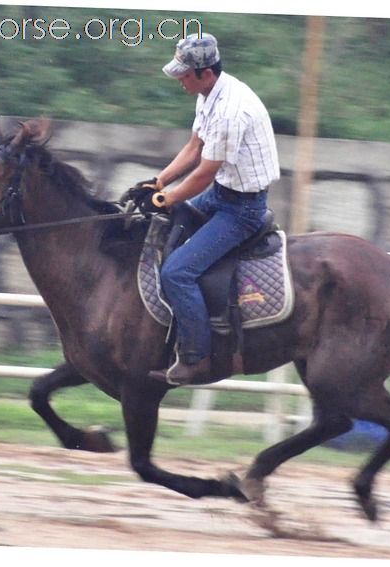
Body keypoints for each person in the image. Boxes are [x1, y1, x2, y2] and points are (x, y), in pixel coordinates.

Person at [136, 33, 280, 386]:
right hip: (221, 194)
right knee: (163, 226)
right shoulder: (208, 95)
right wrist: (158, 183)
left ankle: (197, 358)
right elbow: (194, 147)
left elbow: (203, 173)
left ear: (205, 72)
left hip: (241, 210)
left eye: (184, 75)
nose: (180, 80)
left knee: (176, 273)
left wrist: (167, 198)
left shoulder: (232, 109)